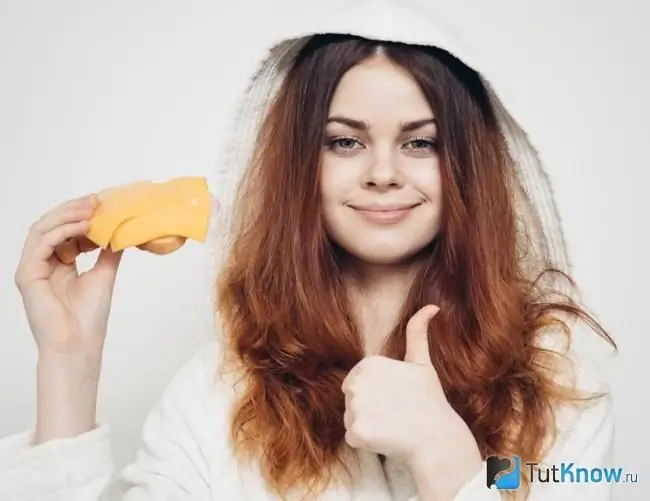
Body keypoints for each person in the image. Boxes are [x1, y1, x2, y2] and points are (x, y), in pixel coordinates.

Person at [0, 1, 617, 500]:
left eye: (421, 142)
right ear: (302, 165)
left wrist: (447, 459)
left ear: (469, 167)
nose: (382, 172)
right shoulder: (218, 395)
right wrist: (68, 364)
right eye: (345, 143)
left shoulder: (557, 391)